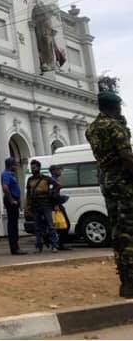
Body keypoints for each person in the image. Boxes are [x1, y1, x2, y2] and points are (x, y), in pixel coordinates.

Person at [86, 89, 133, 297]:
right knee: (129, 231)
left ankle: (125, 280)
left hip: (107, 181)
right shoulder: (115, 127)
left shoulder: (92, 129)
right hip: (124, 182)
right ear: (114, 107)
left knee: (116, 229)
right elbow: (126, 157)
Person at [25, 159, 59, 254]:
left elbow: (57, 186)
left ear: (39, 168)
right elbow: (28, 193)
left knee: (50, 225)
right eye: (32, 167)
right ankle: (39, 246)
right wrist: (27, 206)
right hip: (35, 205)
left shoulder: (46, 178)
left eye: (34, 167)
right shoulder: (30, 179)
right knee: (37, 227)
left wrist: (53, 196)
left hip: (46, 204)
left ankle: (54, 245)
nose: (33, 169)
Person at [2, 157, 27, 255]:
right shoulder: (6, 174)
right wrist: (12, 200)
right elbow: (5, 187)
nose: (16, 166)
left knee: (14, 224)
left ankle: (16, 247)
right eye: (15, 165)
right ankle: (15, 248)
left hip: (14, 200)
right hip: (11, 201)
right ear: (11, 165)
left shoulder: (11, 174)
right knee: (12, 225)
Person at [48, 164, 72, 251]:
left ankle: (59, 243)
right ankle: (60, 244)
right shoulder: (53, 181)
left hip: (57, 204)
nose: (60, 171)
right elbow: (52, 195)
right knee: (64, 224)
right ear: (53, 171)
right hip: (56, 205)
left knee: (60, 225)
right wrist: (56, 204)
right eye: (58, 170)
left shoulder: (55, 180)